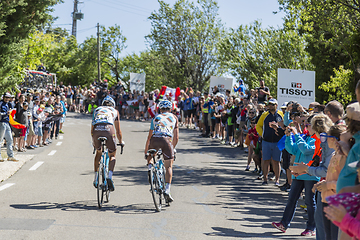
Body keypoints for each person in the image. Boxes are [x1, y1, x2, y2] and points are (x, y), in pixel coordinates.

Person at [272, 114, 319, 236]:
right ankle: (284, 223)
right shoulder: (305, 136)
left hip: (310, 174)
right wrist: (288, 136)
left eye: (308, 125)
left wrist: (297, 135)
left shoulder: (316, 139)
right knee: (291, 199)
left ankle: (311, 227)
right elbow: (292, 149)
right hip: (298, 173)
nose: (306, 127)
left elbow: (306, 150)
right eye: (306, 125)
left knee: (310, 202)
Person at [144, 100, 179, 203]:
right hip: (167, 139)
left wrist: (146, 153)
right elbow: (176, 137)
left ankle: (150, 168)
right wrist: (173, 147)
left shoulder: (155, 118)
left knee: (150, 157)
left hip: (155, 139)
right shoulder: (174, 117)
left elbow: (149, 137)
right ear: (171, 109)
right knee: (168, 166)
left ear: (160, 109)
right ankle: (167, 190)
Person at [91, 95, 123, 191]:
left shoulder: (97, 110)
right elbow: (118, 131)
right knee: (112, 154)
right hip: (109, 129)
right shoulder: (115, 111)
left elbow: (92, 127)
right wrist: (121, 141)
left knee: (99, 152)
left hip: (97, 130)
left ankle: (96, 178)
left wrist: (93, 140)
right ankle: (109, 176)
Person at [256, 98, 284, 185]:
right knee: (265, 160)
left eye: (272, 104)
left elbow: (284, 126)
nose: (270, 106)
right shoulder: (264, 115)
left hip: (277, 141)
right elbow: (258, 126)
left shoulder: (280, 114)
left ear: (276, 105)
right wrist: (263, 134)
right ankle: (265, 179)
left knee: (276, 161)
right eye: (269, 104)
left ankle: (277, 180)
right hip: (266, 141)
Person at [0, 93, 18, 162]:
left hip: (7, 123)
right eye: (6, 97)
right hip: (2, 122)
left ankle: (10, 156)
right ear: (3, 97)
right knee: (0, 140)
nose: (7, 99)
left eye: (8, 97)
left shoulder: (9, 104)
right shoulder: (1, 103)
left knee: (10, 139)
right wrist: (6, 113)